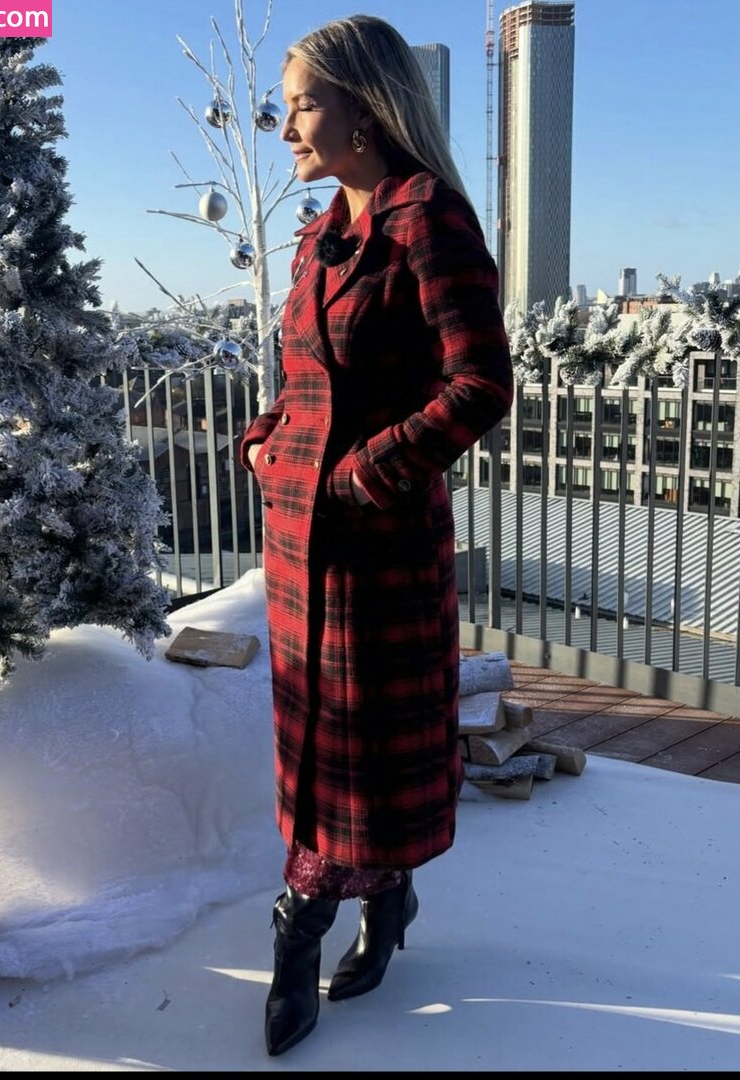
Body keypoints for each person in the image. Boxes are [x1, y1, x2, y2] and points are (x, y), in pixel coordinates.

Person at [239, 14, 514, 1057]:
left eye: (301, 104)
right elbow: (304, 374)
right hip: (297, 546)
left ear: (364, 106)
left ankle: (300, 930)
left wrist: (365, 475)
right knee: (317, 743)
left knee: (354, 755)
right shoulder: (323, 230)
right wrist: (264, 437)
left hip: (376, 547)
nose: (285, 128)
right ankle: (386, 898)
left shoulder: (426, 216)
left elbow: (479, 383)